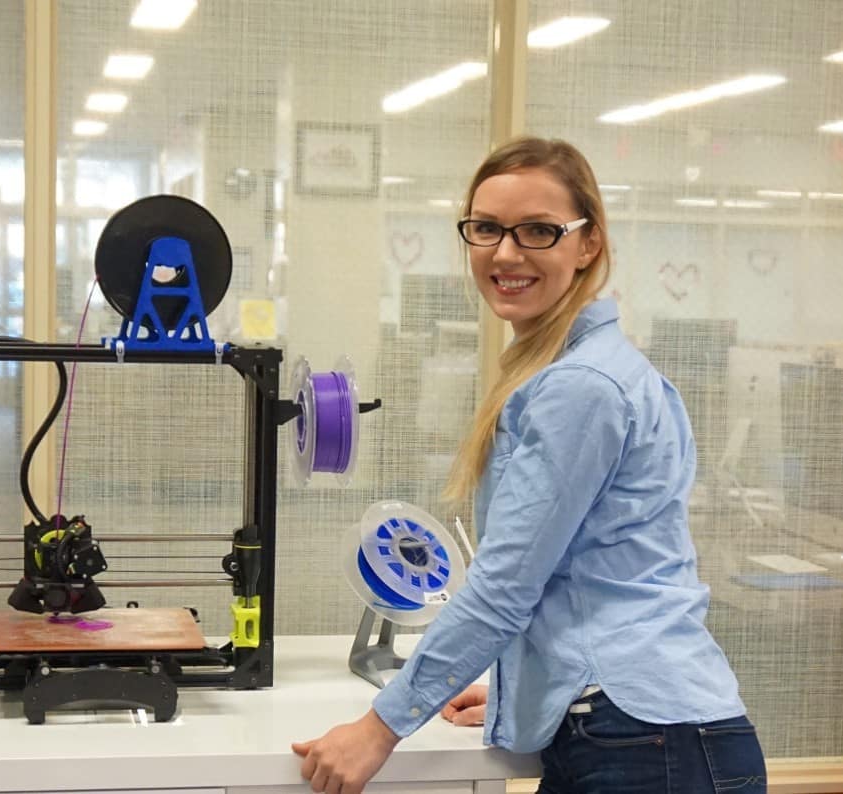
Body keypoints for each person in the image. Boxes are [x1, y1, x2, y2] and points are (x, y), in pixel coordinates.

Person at [292, 137, 765, 794]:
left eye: (538, 230)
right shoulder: (594, 370)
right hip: (641, 730)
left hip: (646, 747)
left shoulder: (581, 387)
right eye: (486, 228)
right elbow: (600, 573)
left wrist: (378, 729)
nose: (506, 253)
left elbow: (505, 588)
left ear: (588, 243)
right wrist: (532, 691)